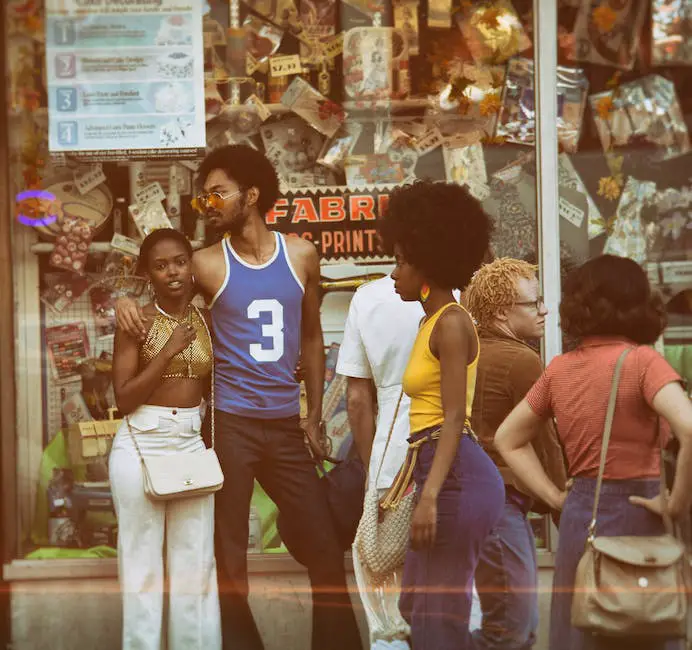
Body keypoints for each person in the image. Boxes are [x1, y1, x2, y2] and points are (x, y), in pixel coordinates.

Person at [115, 145, 363, 650]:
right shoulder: (206, 263)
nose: (208, 203)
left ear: (251, 195)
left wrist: (314, 414)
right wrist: (124, 300)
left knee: (322, 548)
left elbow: (312, 336)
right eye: (204, 195)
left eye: (218, 193)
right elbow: (161, 287)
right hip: (230, 426)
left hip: (286, 425)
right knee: (228, 558)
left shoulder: (301, 254)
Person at [495, 254, 692, 650]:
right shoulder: (642, 362)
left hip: (580, 514)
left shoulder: (559, 369)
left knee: (582, 632)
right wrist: (675, 505)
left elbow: (507, 439)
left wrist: (553, 497)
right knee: (644, 627)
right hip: (642, 509)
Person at [378, 180, 505, 650]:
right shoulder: (430, 320)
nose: (393, 273)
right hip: (439, 470)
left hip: (455, 477)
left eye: (401, 261)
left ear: (428, 263)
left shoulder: (451, 322)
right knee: (418, 607)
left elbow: (455, 418)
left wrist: (428, 498)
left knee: (439, 618)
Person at [110, 228, 221, 650]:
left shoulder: (207, 321)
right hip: (142, 444)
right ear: (147, 274)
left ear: (191, 267)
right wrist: (169, 349)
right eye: (160, 265)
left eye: (179, 261)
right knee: (142, 570)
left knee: (196, 567)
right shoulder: (136, 322)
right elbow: (123, 399)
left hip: (190, 442)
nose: (172, 272)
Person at [463, 257, 567, 650]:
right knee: (511, 629)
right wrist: (564, 508)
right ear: (503, 311)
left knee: (512, 626)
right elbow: (546, 444)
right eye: (534, 303)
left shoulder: (472, 351)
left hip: (474, 502)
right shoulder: (521, 359)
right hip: (498, 506)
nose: (544, 310)